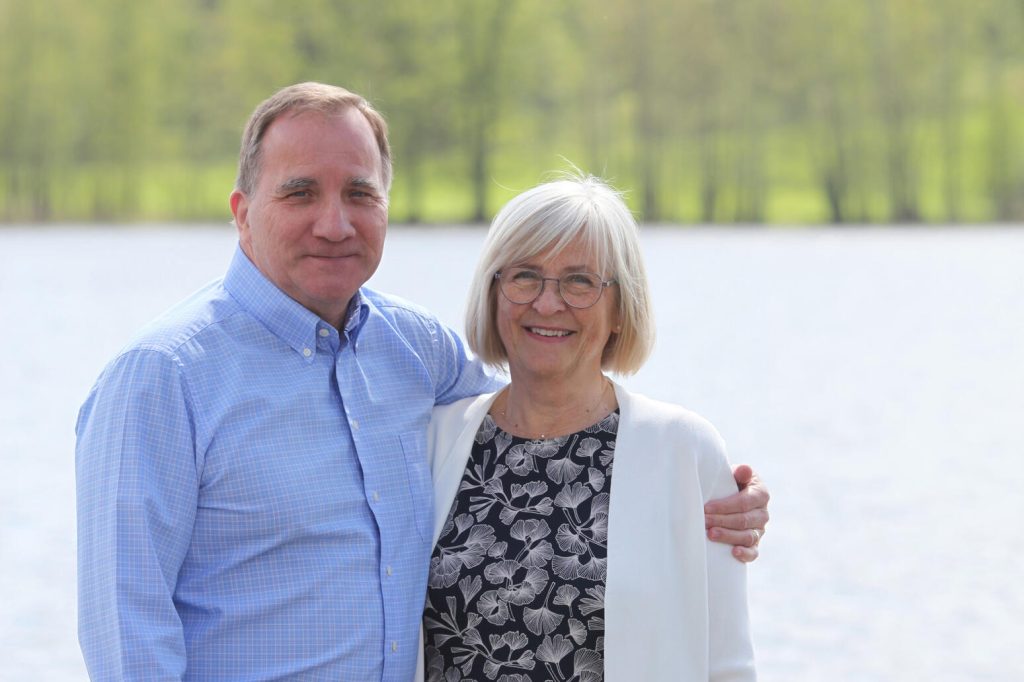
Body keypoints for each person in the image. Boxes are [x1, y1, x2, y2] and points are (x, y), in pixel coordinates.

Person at [76, 82, 767, 681]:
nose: (334, 223)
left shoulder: (414, 354)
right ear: (241, 211)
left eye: (359, 193)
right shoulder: (162, 379)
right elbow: (125, 634)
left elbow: (555, 394)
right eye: (299, 193)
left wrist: (710, 485)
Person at [420, 175, 755, 680]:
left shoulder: (684, 452)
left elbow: (728, 663)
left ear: (621, 308)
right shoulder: (433, 440)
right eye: (525, 276)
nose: (548, 303)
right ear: (493, 292)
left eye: (580, 281)